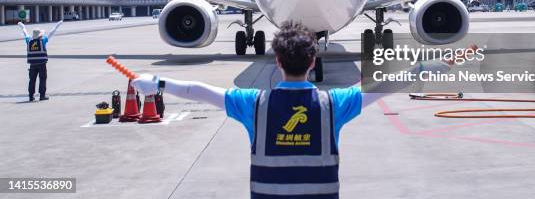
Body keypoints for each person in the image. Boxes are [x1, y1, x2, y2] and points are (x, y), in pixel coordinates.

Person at [132, 21, 454, 198]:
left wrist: (157, 82)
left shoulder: (253, 104)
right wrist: (425, 68)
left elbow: (197, 91)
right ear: (313, 62)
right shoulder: (334, 104)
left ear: (278, 61)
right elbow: (383, 85)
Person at [18, 20, 63, 102]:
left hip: (32, 64)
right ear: (40, 36)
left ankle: (31, 96)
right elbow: (51, 33)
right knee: (42, 79)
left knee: (32, 80)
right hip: (42, 64)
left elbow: (25, 33)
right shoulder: (43, 40)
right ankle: (42, 96)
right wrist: (57, 25)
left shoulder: (29, 41)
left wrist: (22, 27)